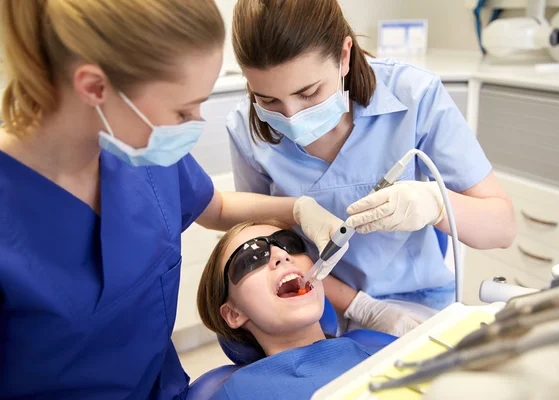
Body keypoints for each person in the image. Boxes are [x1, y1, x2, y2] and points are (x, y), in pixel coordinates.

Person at [0, 1, 345, 398]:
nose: (195, 124)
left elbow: (213, 207)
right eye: (183, 112)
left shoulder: (139, 151)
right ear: (95, 88)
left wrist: (297, 210)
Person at [226, 0, 517, 336]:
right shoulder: (244, 128)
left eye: (308, 93)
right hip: (313, 307)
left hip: (416, 304)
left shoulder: (414, 95)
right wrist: (359, 307)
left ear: (344, 55)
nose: (291, 117)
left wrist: (436, 203)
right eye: (267, 100)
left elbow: (503, 227)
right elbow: (259, 244)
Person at [197, 220, 397, 400]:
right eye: (253, 257)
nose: (282, 255)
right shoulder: (234, 395)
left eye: (290, 244)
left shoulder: (382, 352)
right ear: (234, 313)